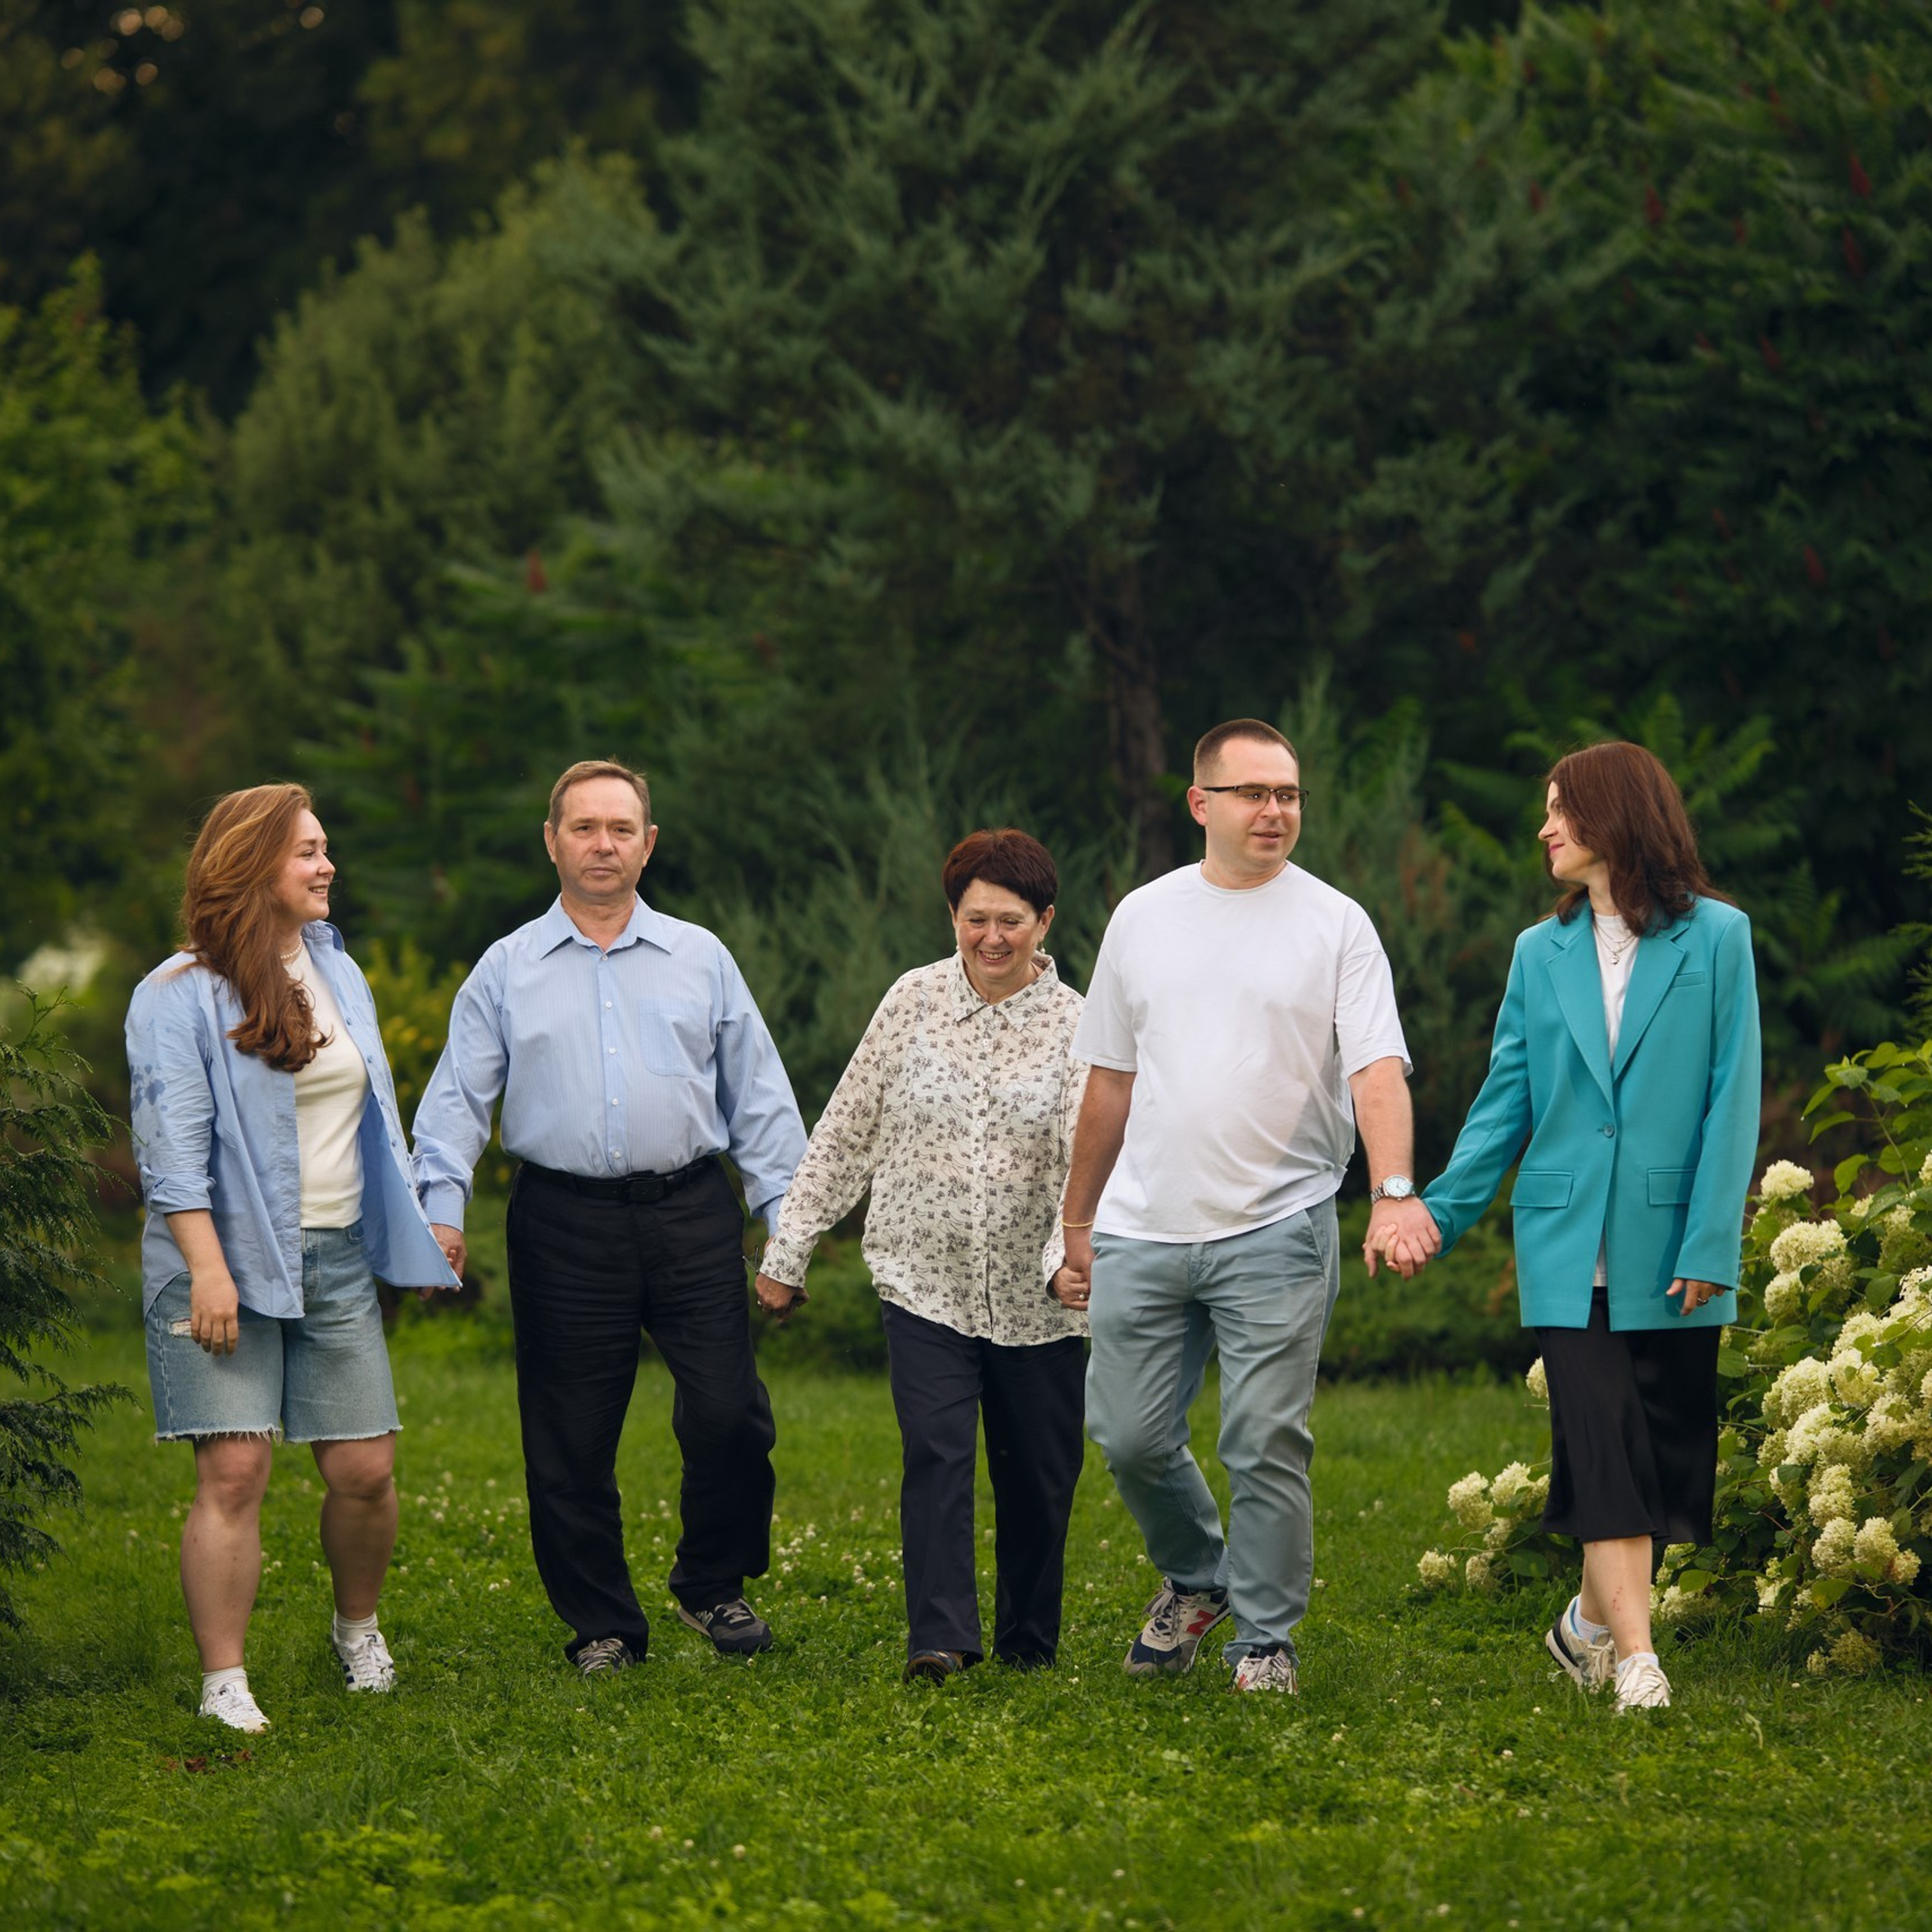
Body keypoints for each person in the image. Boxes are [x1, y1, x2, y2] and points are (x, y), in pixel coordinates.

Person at [1058, 719, 1437, 1694]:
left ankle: (1264, 1639)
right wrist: (1076, 1220)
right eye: (1254, 793)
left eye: (1290, 795)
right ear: (1202, 804)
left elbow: (1379, 1070)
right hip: (1144, 1227)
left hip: (1278, 1223)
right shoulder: (1143, 917)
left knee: (1264, 1437)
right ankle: (1198, 1577)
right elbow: (1107, 1080)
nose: (1276, 811)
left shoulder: (1336, 924)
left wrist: (1393, 1192)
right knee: (1128, 1435)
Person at [412, 758, 806, 1674]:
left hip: (691, 1213)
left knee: (729, 1414)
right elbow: (454, 1103)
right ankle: (601, 1625)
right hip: (562, 1223)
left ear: (648, 843)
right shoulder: (506, 968)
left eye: (620, 828)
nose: (602, 843)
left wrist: (784, 1220)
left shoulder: (701, 957)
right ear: (552, 841)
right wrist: (440, 1211)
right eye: (583, 827)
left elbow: (760, 1100)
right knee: (568, 1434)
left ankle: (712, 1586)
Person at [1399, 741, 1760, 1712]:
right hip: (1564, 1244)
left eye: (1561, 809)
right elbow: (1505, 1099)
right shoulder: (1536, 952)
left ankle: (1587, 1626)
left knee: (1666, 1456)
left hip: (1668, 1238)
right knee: (1600, 1441)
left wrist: (1710, 1244)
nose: (1546, 828)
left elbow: (1733, 1099)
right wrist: (1434, 1209)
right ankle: (1636, 1659)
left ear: (1616, 816)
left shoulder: (1719, 939)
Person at [127, 784, 459, 1734]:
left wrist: (419, 1213)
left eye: (326, 849)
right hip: (221, 1262)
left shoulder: (333, 968)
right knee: (234, 1474)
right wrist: (208, 1269)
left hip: (337, 1257)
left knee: (364, 1471)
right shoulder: (176, 994)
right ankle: (223, 1679)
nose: (327, 866)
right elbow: (171, 1151)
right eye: (307, 852)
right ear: (250, 866)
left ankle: (357, 1632)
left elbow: (369, 1116)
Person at [754, 829, 1091, 1683]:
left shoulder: (1077, 1024)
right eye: (975, 919)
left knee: (1037, 1476)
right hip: (921, 1280)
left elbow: (1081, 1157)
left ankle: (1026, 1643)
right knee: (936, 1451)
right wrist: (788, 1248)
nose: (991, 937)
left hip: (1040, 1294)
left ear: (1044, 921)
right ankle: (937, 1640)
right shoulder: (911, 1000)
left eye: (1011, 920)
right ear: (953, 916)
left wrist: (1065, 1256)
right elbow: (847, 1131)